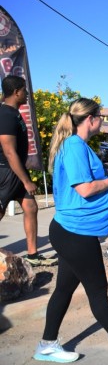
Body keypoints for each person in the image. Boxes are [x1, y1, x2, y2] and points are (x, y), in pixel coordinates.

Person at [33, 98, 108, 363]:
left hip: (73, 231)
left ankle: (47, 344)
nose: (102, 120)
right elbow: (84, 189)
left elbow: (94, 182)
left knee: (63, 290)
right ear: (91, 119)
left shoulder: (78, 145)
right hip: (75, 233)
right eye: (100, 115)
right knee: (97, 290)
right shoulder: (74, 146)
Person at [0, 75, 57, 266]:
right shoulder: (6, 115)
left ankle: (33, 256)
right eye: (24, 90)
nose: (27, 93)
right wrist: (26, 180)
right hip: (6, 172)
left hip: (16, 171)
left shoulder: (12, 112)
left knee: (31, 208)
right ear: (16, 92)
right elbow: (9, 151)